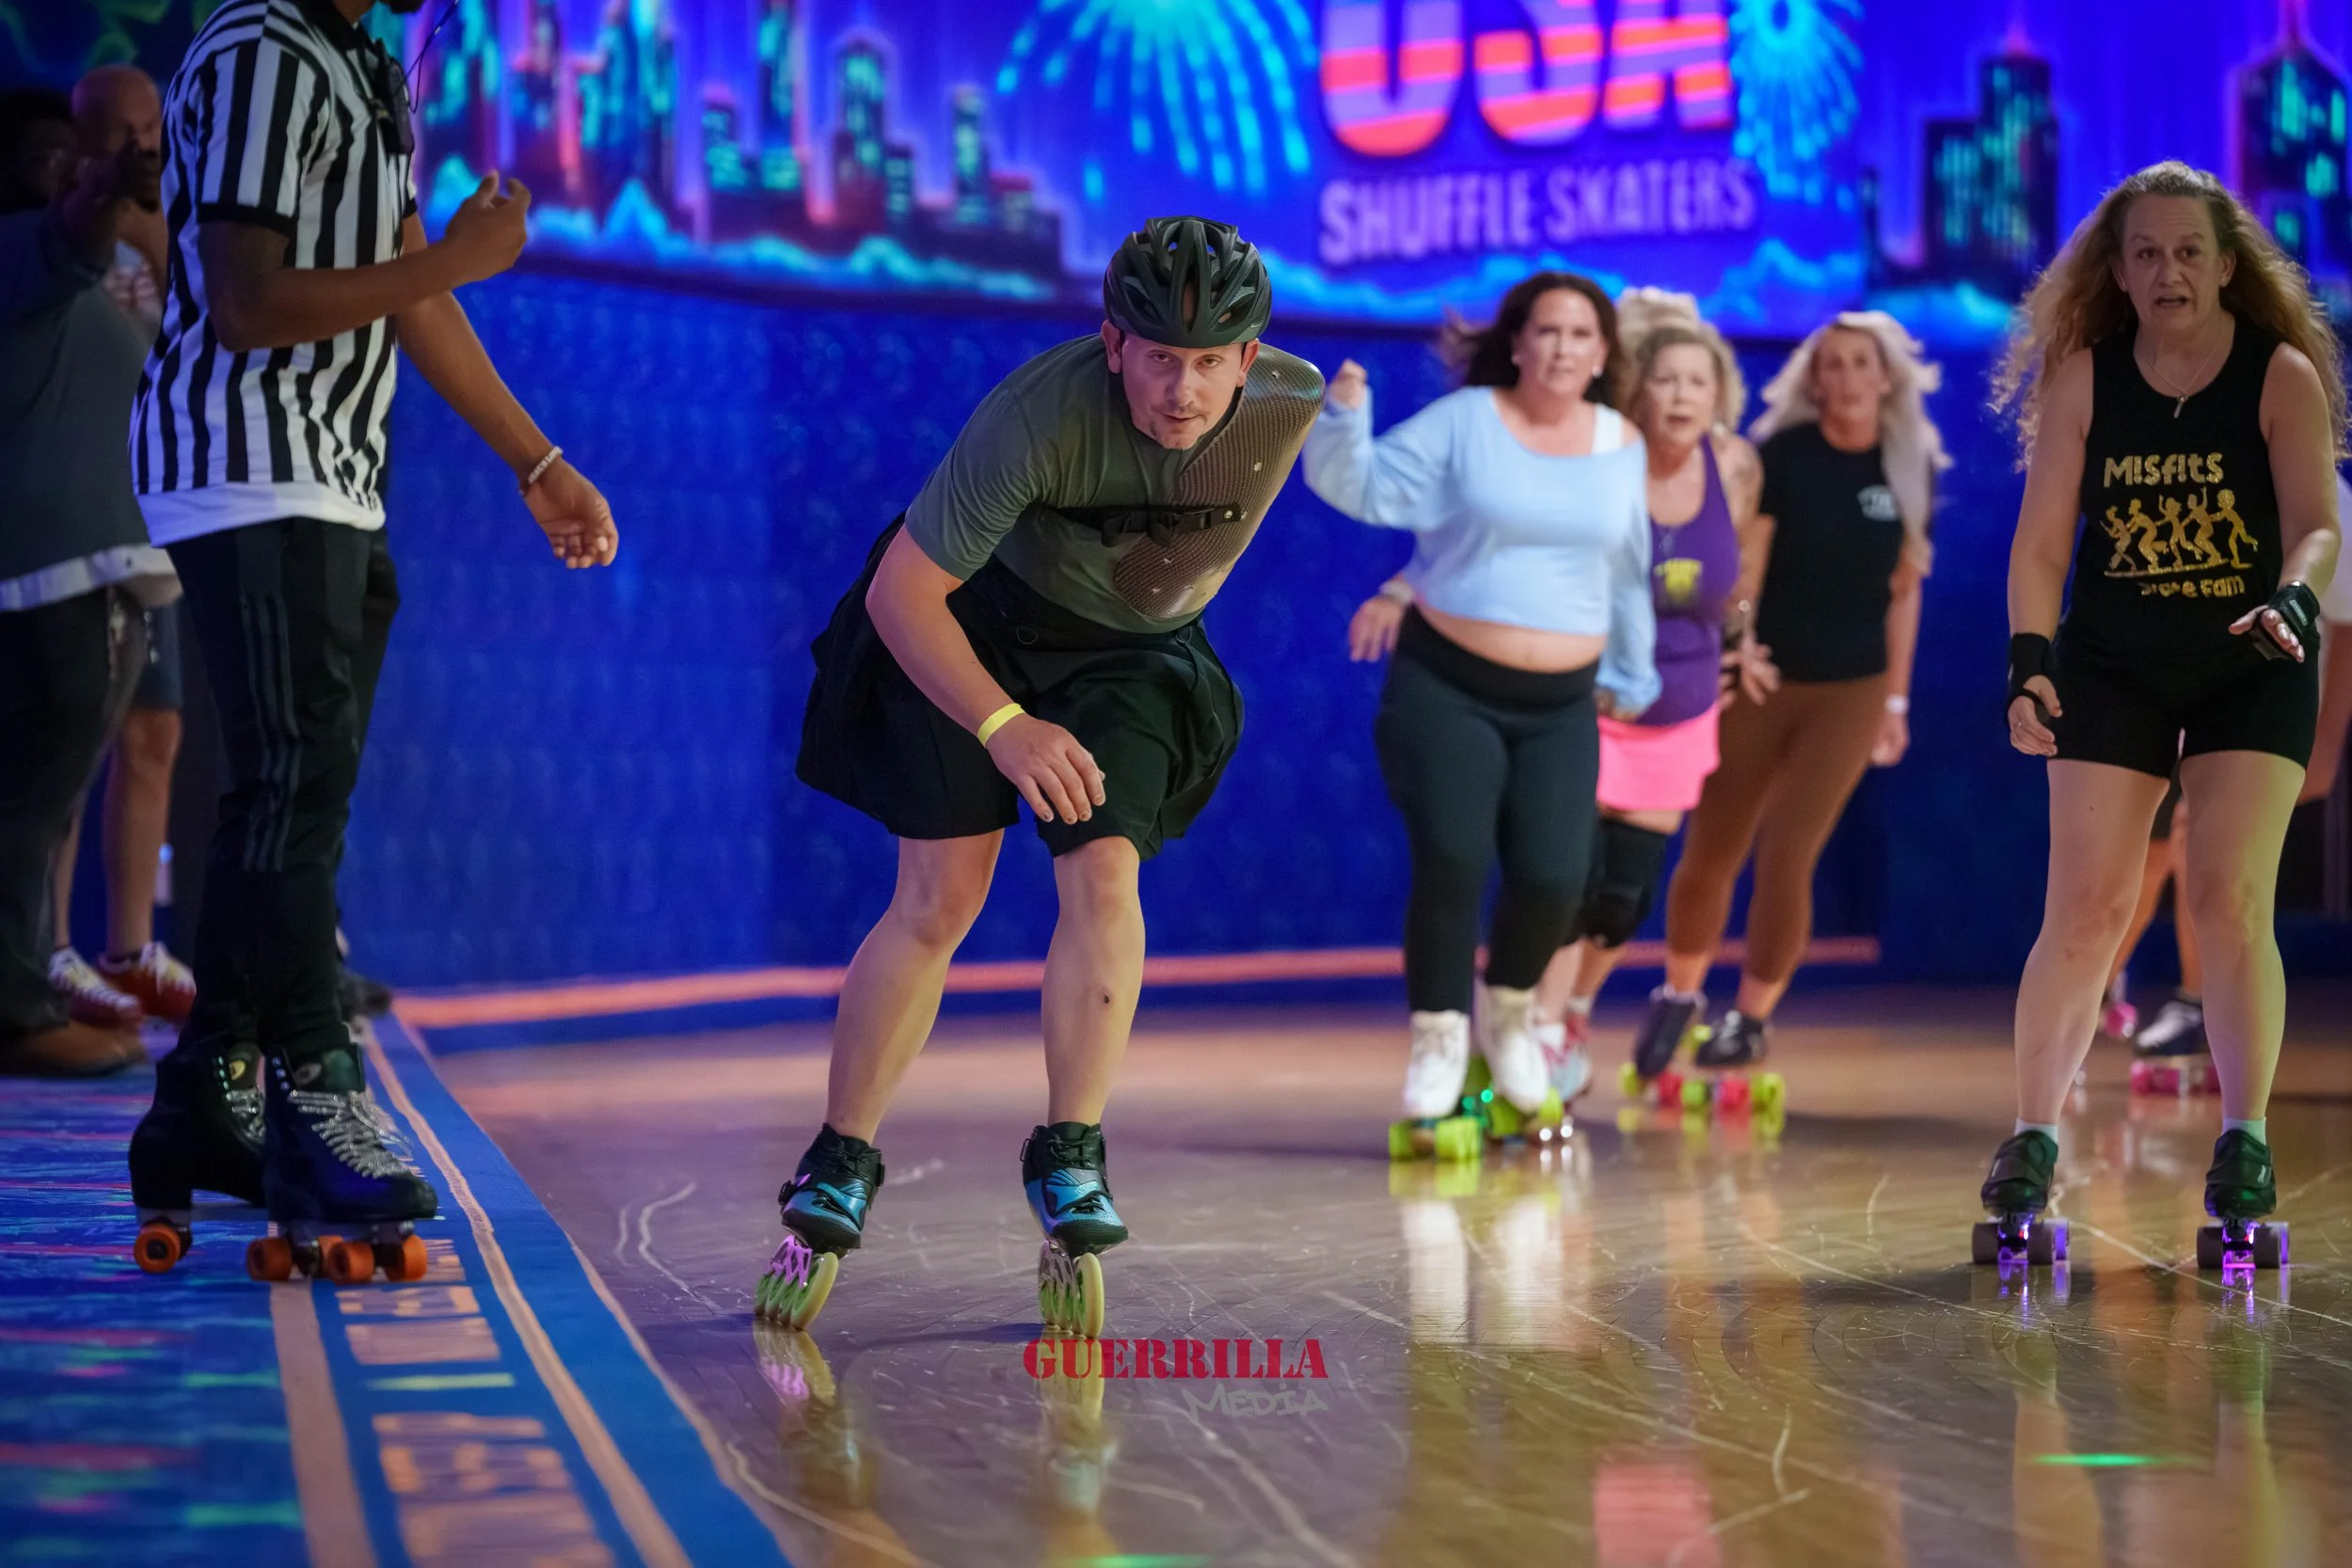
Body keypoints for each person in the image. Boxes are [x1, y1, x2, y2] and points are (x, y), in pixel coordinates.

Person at [125, 0, 618, 1275]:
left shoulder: (359, 62)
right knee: (292, 786)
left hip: (334, 475)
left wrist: (538, 459)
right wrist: (455, 256)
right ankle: (317, 1094)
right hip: (246, 465)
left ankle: (201, 1101)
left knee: (285, 799)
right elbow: (245, 303)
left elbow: (403, 289)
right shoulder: (257, 52)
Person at [772, 216, 1322, 1335]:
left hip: (1125, 649)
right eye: (1158, 356)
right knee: (940, 896)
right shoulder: (1036, 413)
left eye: (1211, 361)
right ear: (1111, 344)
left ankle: (1070, 1151)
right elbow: (901, 596)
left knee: (1105, 871)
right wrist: (1003, 724)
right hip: (971, 620)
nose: (1183, 388)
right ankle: (840, 1156)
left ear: (1251, 359)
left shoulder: (1287, 405)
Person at [1983, 161, 2342, 1259]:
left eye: (2189, 250)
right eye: (2145, 253)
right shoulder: (2085, 380)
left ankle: (2243, 1140)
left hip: (2253, 655)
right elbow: (2044, 541)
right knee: (2088, 905)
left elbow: (2317, 525)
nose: (2168, 269)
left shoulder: (2278, 374)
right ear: (2119, 272)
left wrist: (2296, 593)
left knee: (2231, 899)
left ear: (2227, 265)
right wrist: (2028, 660)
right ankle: (2033, 1135)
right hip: (2114, 661)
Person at [1306, 271, 1658, 1136]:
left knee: (1554, 874)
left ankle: (1508, 1013)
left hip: (1563, 700)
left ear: (1603, 352)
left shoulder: (1621, 441)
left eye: (1581, 334)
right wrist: (1345, 417)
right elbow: (1368, 488)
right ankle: (1436, 1035)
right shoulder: (1468, 423)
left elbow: (1626, 568)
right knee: (1454, 857)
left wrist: (1635, 668)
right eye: (1547, 331)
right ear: (1517, 341)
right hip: (1449, 681)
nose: (1563, 348)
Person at [1645, 312, 1948, 1077]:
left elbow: (1904, 591)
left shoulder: (1907, 467)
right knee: (1715, 845)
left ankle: (1749, 1019)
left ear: (1886, 378)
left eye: (1860, 363)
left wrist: (1897, 703)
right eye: (1832, 364)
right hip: (1766, 676)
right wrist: (1738, 644)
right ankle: (1680, 994)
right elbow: (1745, 568)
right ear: (1815, 379)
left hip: (1852, 689)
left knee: (1791, 852)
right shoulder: (1783, 456)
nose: (1845, 377)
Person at [0, 87, 175, 1077]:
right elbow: (73, 231)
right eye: (43, 154)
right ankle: (20, 1008)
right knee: (28, 804)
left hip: (89, 566)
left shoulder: (77, 272)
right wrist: (110, 184)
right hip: (48, 574)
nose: (61, 168)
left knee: (39, 799)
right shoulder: (26, 249)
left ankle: (28, 984)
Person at [35, 67, 199, 1036]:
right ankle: (46, 943)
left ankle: (130, 945)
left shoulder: (176, 222)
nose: (140, 148)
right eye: (119, 133)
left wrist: (155, 239)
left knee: (157, 726)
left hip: (151, 508)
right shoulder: (56, 227)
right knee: (66, 739)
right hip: (67, 514)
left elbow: (211, 333)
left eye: (151, 131)